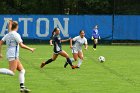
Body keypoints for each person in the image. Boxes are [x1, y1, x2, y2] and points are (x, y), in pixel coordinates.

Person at [0, 20, 35, 92]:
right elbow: (21, 45)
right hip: (14, 55)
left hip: (11, 54)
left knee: (22, 70)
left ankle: (22, 87)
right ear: (17, 27)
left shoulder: (8, 34)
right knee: (12, 72)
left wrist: (0, 53)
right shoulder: (16, 35)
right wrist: (30, 48)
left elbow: (0, 42)